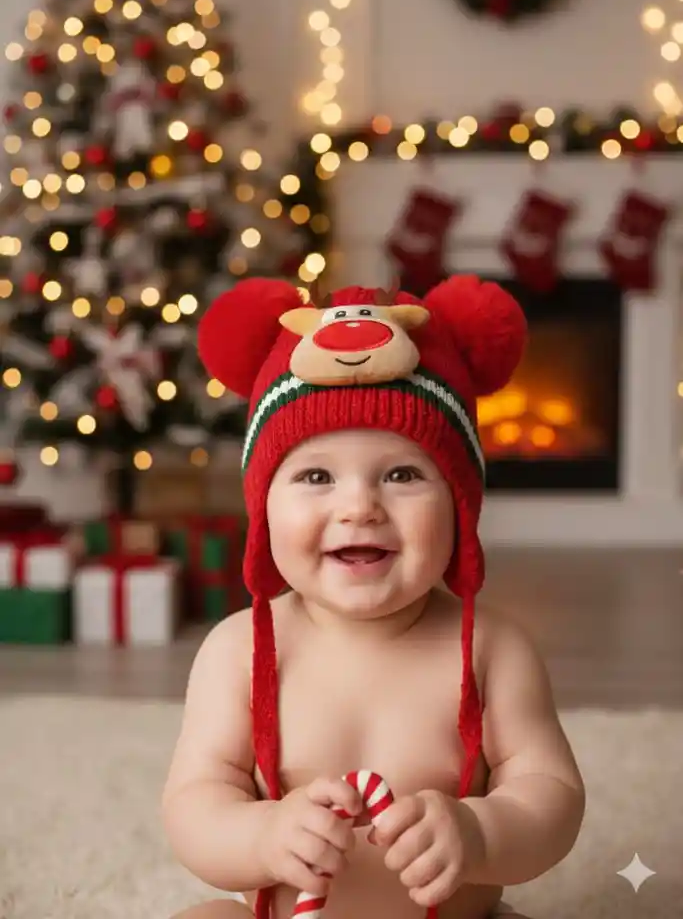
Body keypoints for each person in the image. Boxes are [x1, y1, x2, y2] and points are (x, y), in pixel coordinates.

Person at [162, 275, 585, 919]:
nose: (359, 506)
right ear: (263, 510)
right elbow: (194, 805)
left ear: (458, 506)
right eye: (316, 475)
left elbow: (551, 797)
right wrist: (263, 837)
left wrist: (480, 832)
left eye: (402, 474)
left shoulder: (491, 649)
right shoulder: (239, 651)